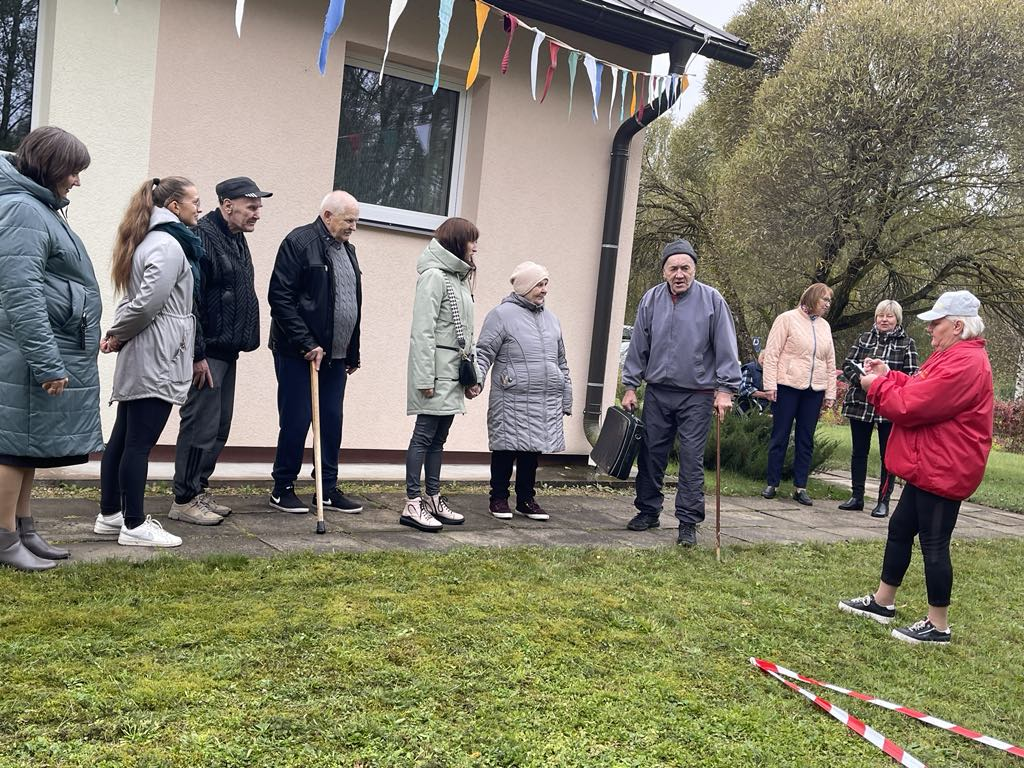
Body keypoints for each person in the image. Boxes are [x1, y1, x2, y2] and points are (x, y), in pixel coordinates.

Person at [839, 290, 993, 645]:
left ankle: (938, 625)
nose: (930, 330)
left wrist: (875, 387)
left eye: (936, 323)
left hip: (946, 466)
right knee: (900, 527)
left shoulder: (965, 363)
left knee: (934, 543)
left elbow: (911, 406)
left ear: (957, 325)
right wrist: (888, 374)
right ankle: (883, 602)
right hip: (930, 462)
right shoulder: (951, 355)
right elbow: (917, 386)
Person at [0, 126, 102, 571]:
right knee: (11, 449)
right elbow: (19, 294)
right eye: (73, 171)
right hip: (23, 353)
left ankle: (23, 528)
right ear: (50, 166)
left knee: (29, 446)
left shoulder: (37, 207)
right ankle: (3, 540)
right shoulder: (22, 209)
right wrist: (47, 361)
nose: (76, 180)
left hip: (38, 349)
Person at [95, 177, 204, 548]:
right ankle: (135, 523)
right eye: (195, 201)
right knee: (138, 442)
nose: (198, 208)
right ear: (174, 205)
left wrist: (118, 333)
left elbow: (138, 302)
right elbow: (146, 303)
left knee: (123, 437)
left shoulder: (151, 240)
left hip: (147, 348)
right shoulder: (169, 245)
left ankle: (110, 514)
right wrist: (118, 333)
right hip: (157, 352)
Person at [621, 239, 740, 547]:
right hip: (658, 392)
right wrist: (631, 386)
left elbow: (726, 347)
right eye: (673, 268)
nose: (679, 274)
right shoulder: (650, 300)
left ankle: (687, 522)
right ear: (664, 272)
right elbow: (638, 347)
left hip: (697, 395)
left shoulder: (712, 300)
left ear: (694, 270)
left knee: (690, 459)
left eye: (685, 267)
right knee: (651, 456)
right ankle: (648, 511)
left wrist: (725, 389)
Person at [170, 176, 270, 524]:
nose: (257, 213)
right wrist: (196, 354)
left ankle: (198, 489)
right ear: (227, 205)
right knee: (200, 425)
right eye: (251, 206)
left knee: (220, 426)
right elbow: (191, 299)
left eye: (259, 206)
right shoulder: (202, 237)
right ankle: (183, 500)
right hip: (207, 351)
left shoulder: (237, 239)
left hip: (229, 351)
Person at [268, 190, 364, 514]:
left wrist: (352, 351)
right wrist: (307, 342)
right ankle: (282, 487)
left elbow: (350, 303)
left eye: (356, 220)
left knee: (332, 421)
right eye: (349, 220)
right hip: (299, 353)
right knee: (297, 420)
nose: (353, 227)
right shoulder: (299, 243)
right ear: (327, 216)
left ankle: (326, 488)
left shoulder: (347, 251)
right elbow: (279, 298)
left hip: (335, 356)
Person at [401, 218, 482, 532]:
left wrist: (470, 376)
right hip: (435, 371)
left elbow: (465, 333)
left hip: (452, 370)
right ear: (457, 241)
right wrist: (425, 378)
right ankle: (412, 502)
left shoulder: (459, 279)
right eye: (471, 240)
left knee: (439, 439)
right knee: (423, 436)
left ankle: (432, 497)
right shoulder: (434, 277)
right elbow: (422, 332)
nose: (475, 247)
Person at [476, 261, 572, 522]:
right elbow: (483, 352)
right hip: (511, 397)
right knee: (506, 448)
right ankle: (498, 498)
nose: (544, 290)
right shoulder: (501, 315)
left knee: (532, 452)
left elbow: (561, 361)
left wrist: (566, 395)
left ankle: (526, 500)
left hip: (543, 398)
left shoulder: (551, 319)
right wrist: (476, 380)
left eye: (545, 284)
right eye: (539, 284)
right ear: (525, 287)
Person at [837, 300, 918, 518]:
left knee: (887, 455)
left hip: (888, 406)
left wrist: (885, 378)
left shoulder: (907, 343)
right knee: (859, 451)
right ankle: (856, 496)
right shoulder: (864, 338)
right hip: (860, 403)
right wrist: (862, 378)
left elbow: (912, 376)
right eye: (880, 315)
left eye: (889, 316)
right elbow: (847, 365)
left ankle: (883, 501)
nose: (883, 319)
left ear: (897, 319)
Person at [760, 283, 837, 506]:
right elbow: (772, 353)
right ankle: (772, 483)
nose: (828, 305)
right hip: (787, 386)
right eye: (825, 300)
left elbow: (830, 361)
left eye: (829, 301)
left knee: (806, 439)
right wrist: (770, 385)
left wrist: (830, 392)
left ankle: (800, 487)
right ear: (813, 299)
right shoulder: (787, 319)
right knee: (780, 435)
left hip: (814, 390)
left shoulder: (824, 326)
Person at [737, 350, 770, 415]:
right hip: (750, 405)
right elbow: (744, 389)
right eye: (763, 358)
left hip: (769, 406)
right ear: (761, 358)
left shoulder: (773, 372)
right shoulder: (750, 368)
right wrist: (766, 395)